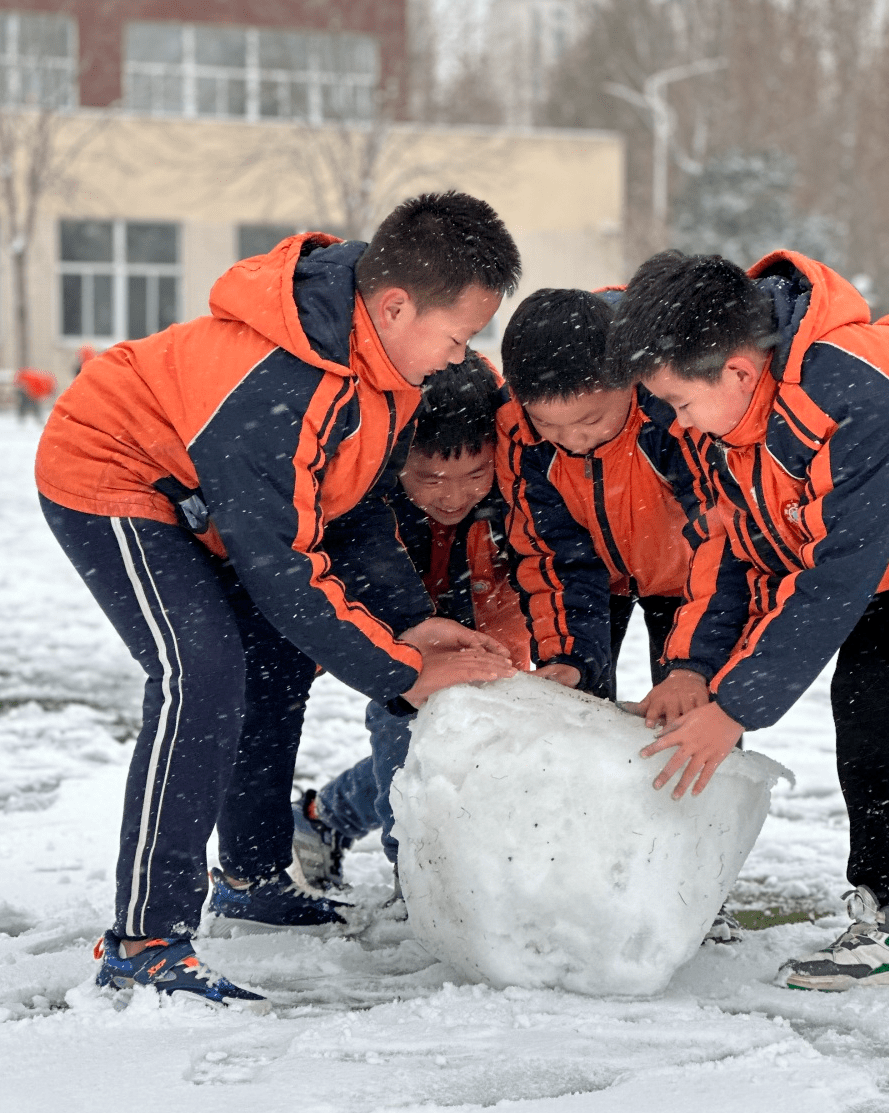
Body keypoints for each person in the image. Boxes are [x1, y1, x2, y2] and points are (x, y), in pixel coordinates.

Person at [35, 192, 521, 1011]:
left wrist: (407, 614)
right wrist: (402, 671)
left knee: (275, 662)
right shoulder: (278, 379)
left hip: (215, 502)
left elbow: (354, 507)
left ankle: (251, 874)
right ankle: (145, 940)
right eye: (457, 334)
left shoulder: (393, 368)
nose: (459, 355)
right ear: (395, 305)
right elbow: (282, 567)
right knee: (202, 672)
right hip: (115, 473)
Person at [605, 248, 889, 991]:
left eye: (679, 401)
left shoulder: (857, 389)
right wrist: (692, 668)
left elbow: (834, 579)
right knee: (867, 690)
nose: (673, 420)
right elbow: (741, 552)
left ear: (738, 371)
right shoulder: (730, 424)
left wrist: (737, 706)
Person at [293, 351, 531, 891]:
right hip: (398, 630)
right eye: (430, 477)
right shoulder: (368, 496)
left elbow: (512, 585)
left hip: (478, 613)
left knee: (481, 735)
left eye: (476, 473)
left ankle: (324, 817)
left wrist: (506, 662)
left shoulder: (512, 491)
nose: (453, 495)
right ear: (397, 459)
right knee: (402, 727)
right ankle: (419, 884)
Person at [496, 287, 705, 722]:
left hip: (687, 581)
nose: (572, 439)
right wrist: (566, 655)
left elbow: (720, 535)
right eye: (547, 423)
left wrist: (694, 664)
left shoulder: (674, 411)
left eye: (591, 420)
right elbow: (550, 551)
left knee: (687, 708)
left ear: (631, 379)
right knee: (575, 706)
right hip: (590, 585)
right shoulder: (520, 436)